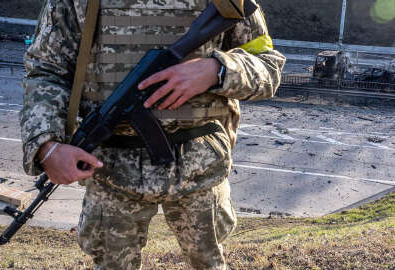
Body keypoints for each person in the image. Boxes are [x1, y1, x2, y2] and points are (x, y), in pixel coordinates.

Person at [20, 0, 285, 269]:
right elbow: (46, 70)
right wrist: (47, 145)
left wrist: (216, 70)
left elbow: (268, 67)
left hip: (201, 166)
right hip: (111, 169)